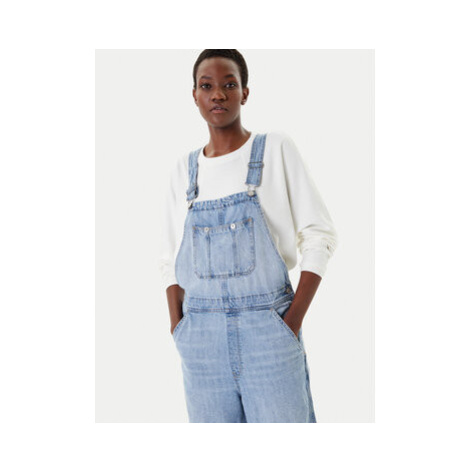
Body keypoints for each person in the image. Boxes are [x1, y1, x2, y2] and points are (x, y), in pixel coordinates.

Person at [158, 49, 338, 423]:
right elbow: (168, 257)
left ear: (245, 92)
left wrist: (291, 322)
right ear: (194, 95)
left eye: (229, 85)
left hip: (269, 335)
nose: (218, 94)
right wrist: (179, 327)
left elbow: (318, 234)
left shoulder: (275, 148)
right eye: (206, 86)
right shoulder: (185, 170)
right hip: (201, 343)